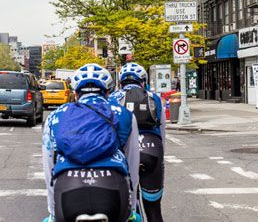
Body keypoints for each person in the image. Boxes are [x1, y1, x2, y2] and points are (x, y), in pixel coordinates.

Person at [42, 63, 140, 222]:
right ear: (108, 92)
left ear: (75, 93)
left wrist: (53, 212)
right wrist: (132, 208)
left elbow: (49, 167)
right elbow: (132, 164)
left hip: (67, 187)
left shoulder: (55, 116)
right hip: (113, 187)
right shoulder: (125, 114)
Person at [109, 62, 166, 222]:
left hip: (125, 152)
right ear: (143, 81)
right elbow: (162, 131)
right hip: (152, 149)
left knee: (132, 207)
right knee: (154, 209)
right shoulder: (154, 98)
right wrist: (161, 156)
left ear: (120, 83)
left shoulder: (112, 99)